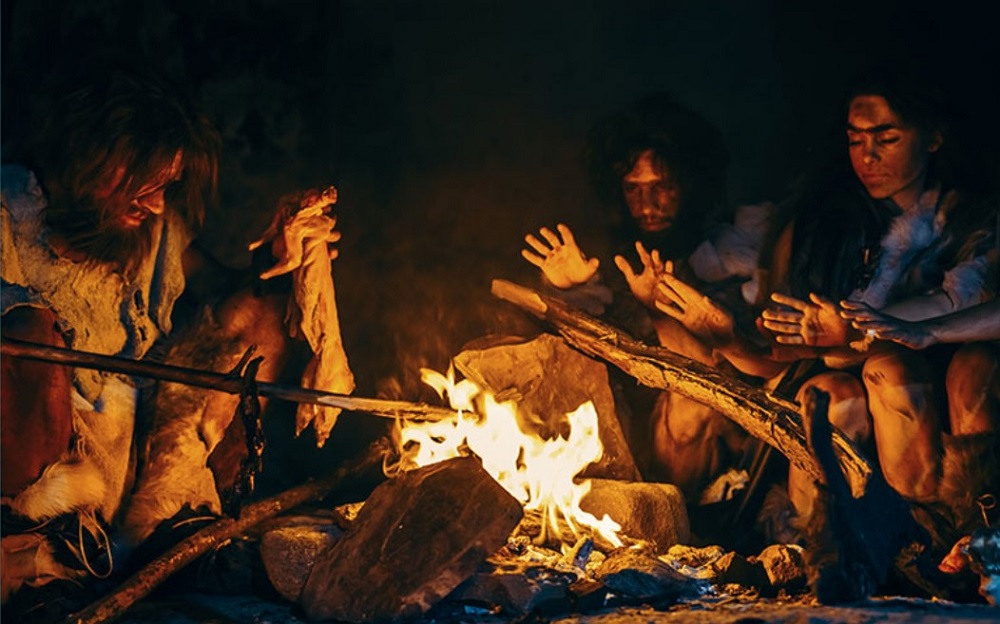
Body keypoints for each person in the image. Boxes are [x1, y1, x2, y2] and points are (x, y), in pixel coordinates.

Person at [0, 59, 348, 620]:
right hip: (37, 480)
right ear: (92, 159)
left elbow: (226, 298)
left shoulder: (153, 235)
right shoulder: (9, 211)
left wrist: (278, 259)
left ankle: (175, 522)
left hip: (132, 468)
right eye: (145, 184)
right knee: (26, 331)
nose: (158, 203)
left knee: (256, 315)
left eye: (166, 186)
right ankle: (32, 564)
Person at [520, 92, 774, 532]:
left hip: (719, 451)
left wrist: (660, 309)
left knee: (690, 406)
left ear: (692, 183)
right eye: (634, 189)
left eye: (663, 186)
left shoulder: (733, 255)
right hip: (624, 447)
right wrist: (571, 291)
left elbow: (717, 372)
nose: (648, 204)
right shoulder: (612, 259)